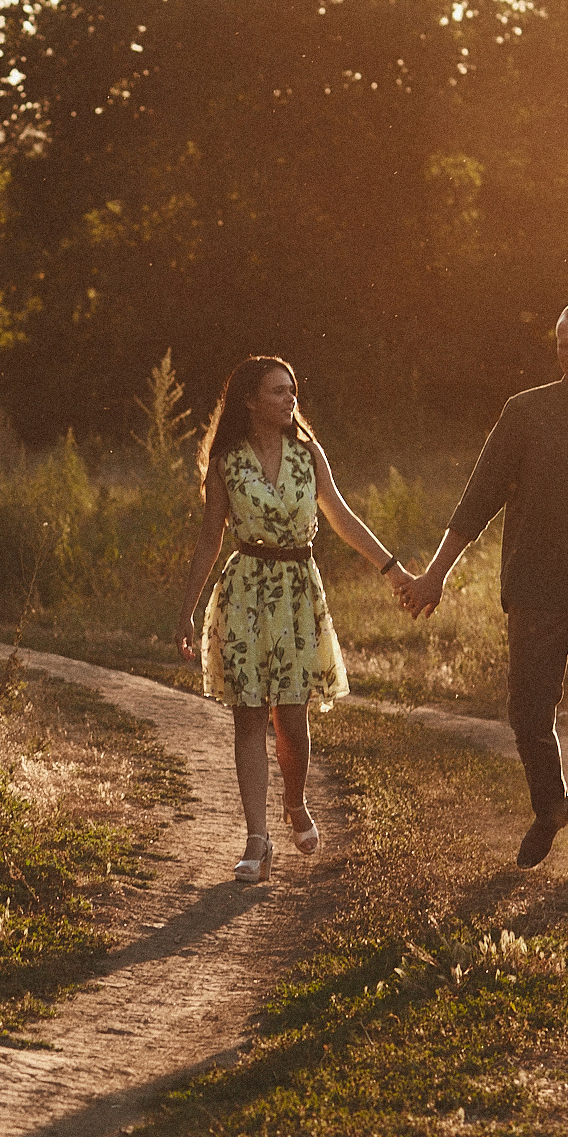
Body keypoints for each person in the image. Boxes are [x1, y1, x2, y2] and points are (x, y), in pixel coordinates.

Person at [401, 301, 568, 895]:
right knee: (528, 714)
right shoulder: (524, 414)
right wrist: (435, 574)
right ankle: (551, 804)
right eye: (563, 346)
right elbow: (477, 500)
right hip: (536, 590)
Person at [174, 355, 415, 881]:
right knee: (248, 716)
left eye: (292, 390)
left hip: (298, 593)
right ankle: (256, 841)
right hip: (245, 592)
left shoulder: (309, 454)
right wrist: (187, 609)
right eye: (278, 391)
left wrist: (392, 570)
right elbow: (211, 536)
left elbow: (342, 517)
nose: (290, 399)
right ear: (250, 401)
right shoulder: (227, 461)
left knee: (291, 716)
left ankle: (295, 799)